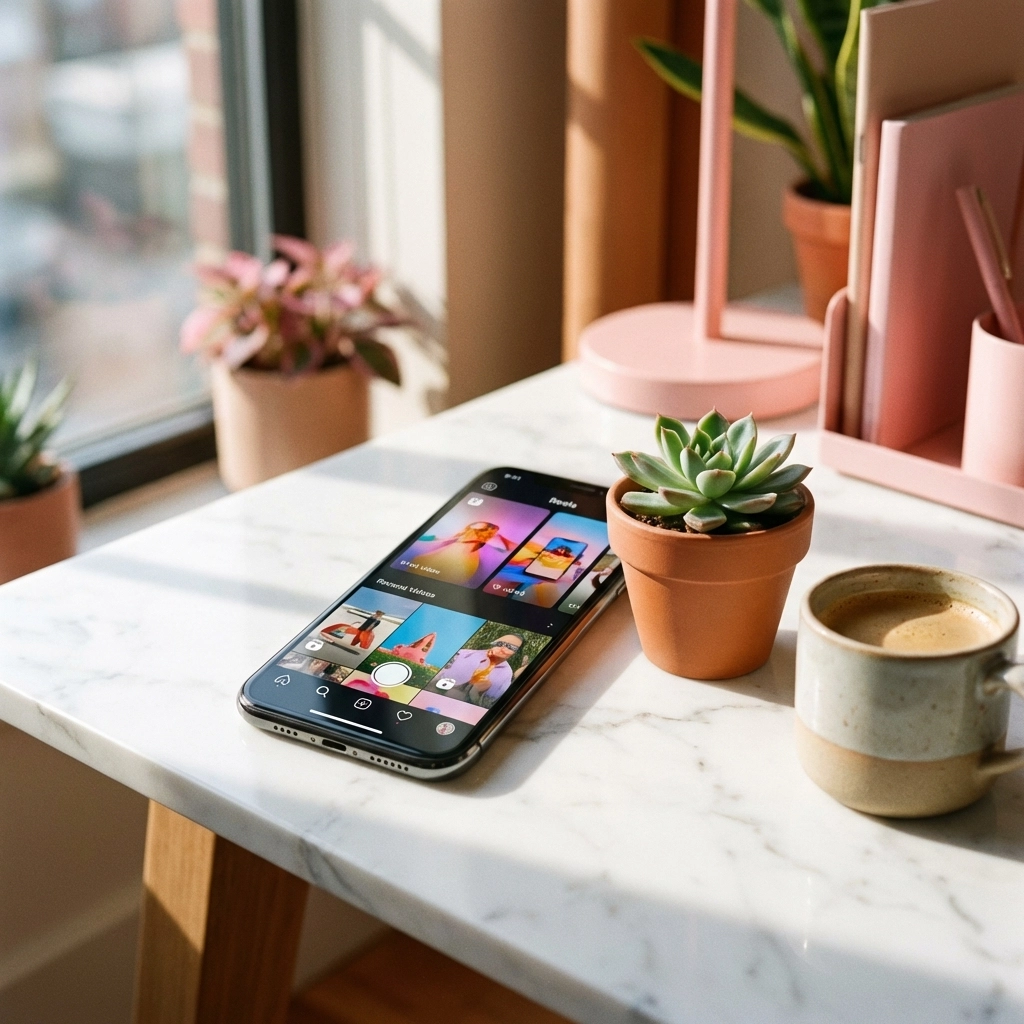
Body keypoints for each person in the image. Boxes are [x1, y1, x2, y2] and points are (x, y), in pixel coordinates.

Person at [432, 634, 529, 707]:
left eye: (510, 647)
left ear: (516, 653)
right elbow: (431, 678)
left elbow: (489, 707)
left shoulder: (506, 674)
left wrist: (475, 693)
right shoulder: (462, 654)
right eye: (500, 643)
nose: (503, 648)